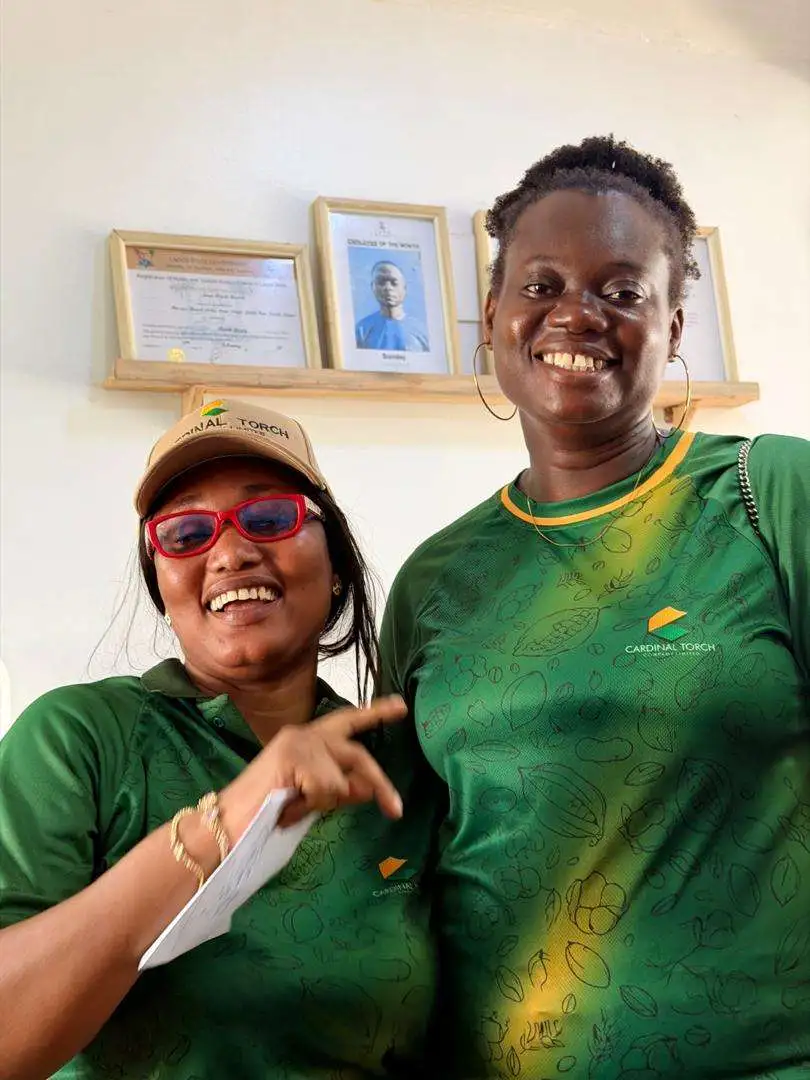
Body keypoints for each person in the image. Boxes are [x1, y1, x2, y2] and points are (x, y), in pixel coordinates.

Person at [381, 136, 810, 1076]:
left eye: (622, 290)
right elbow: (407, 863)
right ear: (493, 317)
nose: (576, 312)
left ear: (674, 326)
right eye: (541, 285)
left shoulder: (770, 496)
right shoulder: (433, 582)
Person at [0, 399, 440, 1079]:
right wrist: (231, 818)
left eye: (269, 518)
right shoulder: (79, 740)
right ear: (161, 585)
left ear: (335, 562)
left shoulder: (402, 763)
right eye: (186, 532)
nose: (231, 553)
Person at [355, 260, 430, 352]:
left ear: (404, 288)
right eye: (381, 282)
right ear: (373, 287)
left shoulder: (422, 331)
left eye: (394, 283)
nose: (388, 288)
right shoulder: (362, 330)